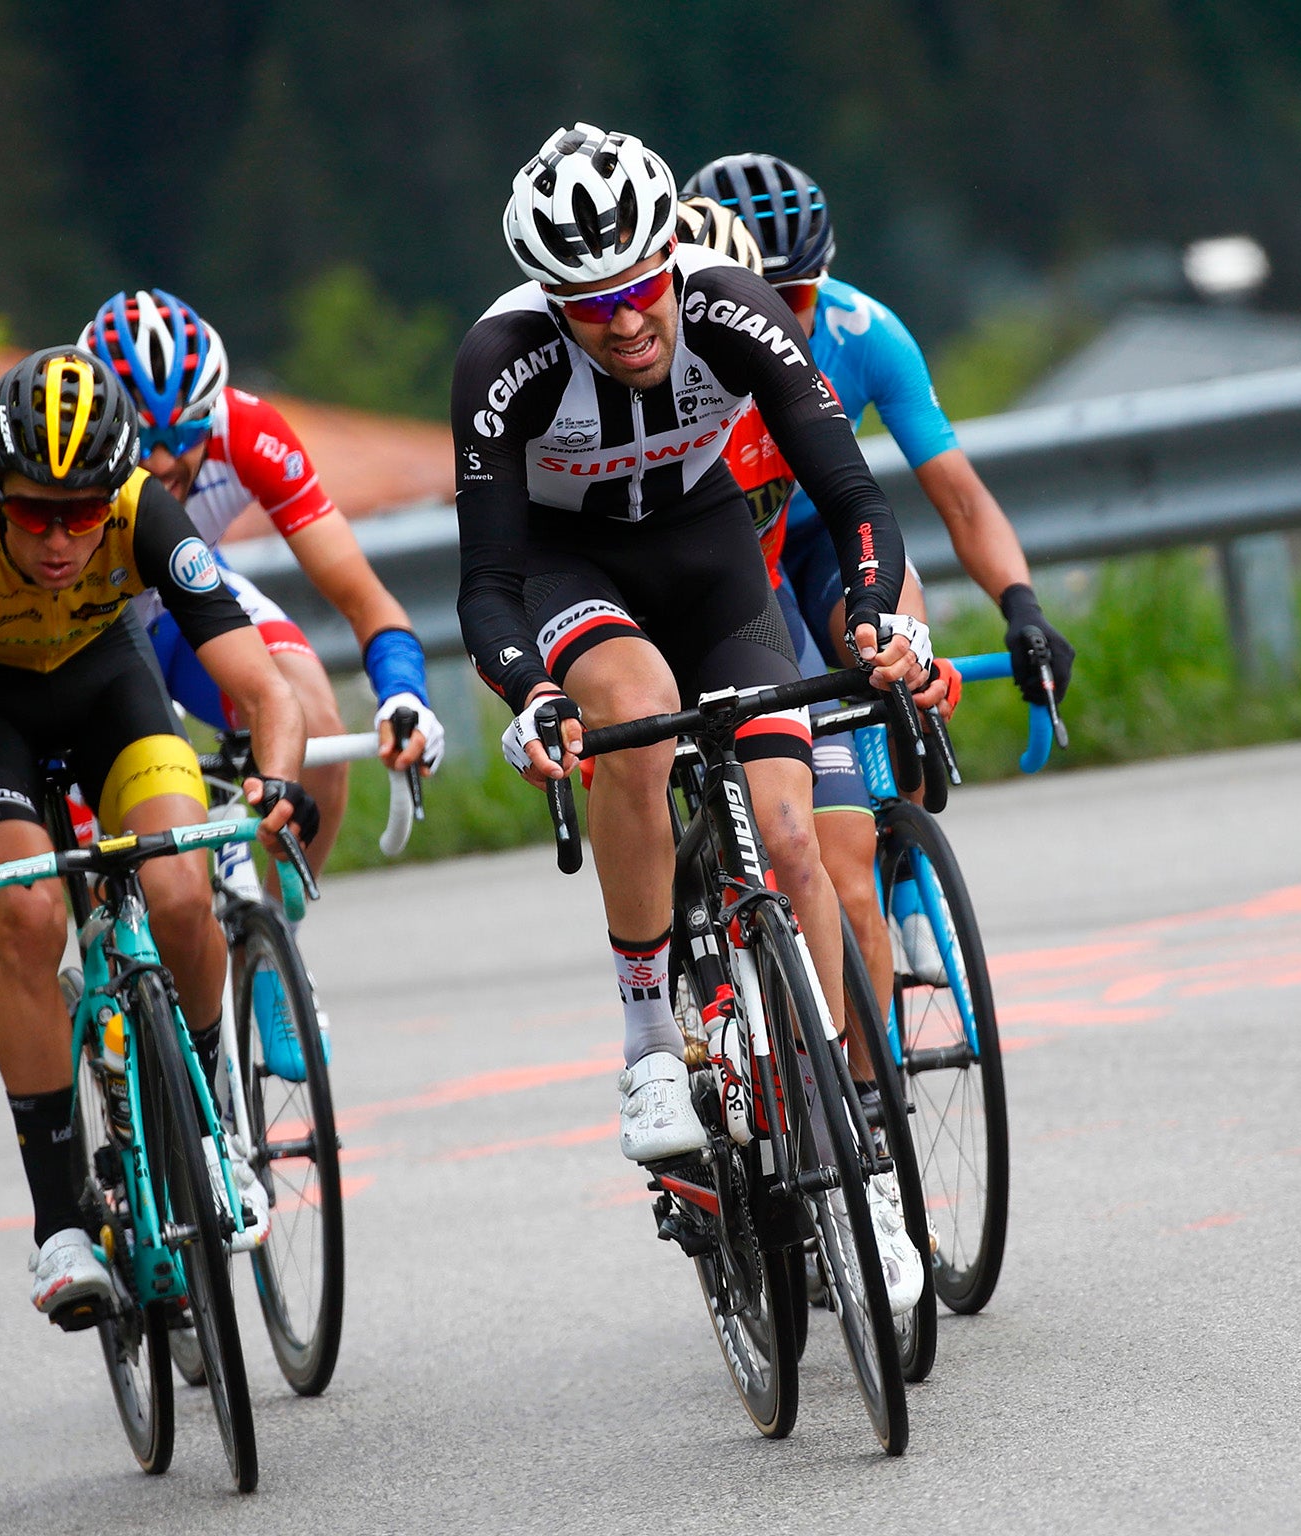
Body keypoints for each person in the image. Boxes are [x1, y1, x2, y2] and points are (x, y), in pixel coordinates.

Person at [453, 123, 937, 1311]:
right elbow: (487, 583)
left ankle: (851, 1150)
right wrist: (534, 694)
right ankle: (647, 1046)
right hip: (576, 571)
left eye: (635, 290)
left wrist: (873, 612)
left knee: (792, 841)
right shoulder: (501, 360)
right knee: (640, 711)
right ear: (549, 301)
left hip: (709, 550)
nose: (622, 322)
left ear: (668, 256)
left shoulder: (729, 305)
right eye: (588, 304)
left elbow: (850, 492)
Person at [0, 345, 318, 1319]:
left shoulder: (140, 511)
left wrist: (280, 776)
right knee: (29, 917)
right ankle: (59, 1226)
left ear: (114, 491)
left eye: (81, 514)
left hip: (105, 688)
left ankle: (207, 1140)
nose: (59, 539)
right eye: (35, 512)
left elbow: (262, 689)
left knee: (178, 884)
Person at [684, 151, 1077, 1011]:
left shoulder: (864, 333)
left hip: (822, 529)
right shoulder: (685, 357)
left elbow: (961, 500)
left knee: (892, 637)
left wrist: (1023, 609)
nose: (786, 316)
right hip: (736, 553)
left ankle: (900, 860)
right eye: (767, 295)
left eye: (801, 299)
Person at [83, 290, 443, 874]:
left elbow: (364, 600)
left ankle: (277, 938)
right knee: (128, 865)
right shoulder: (68, 460)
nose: (164, 463)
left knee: (318, 731)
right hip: (85, 636)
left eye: (184, 436)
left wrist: (404, 693)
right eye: (141, 444)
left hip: (184, 607)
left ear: (212, 412)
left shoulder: (247, 432)